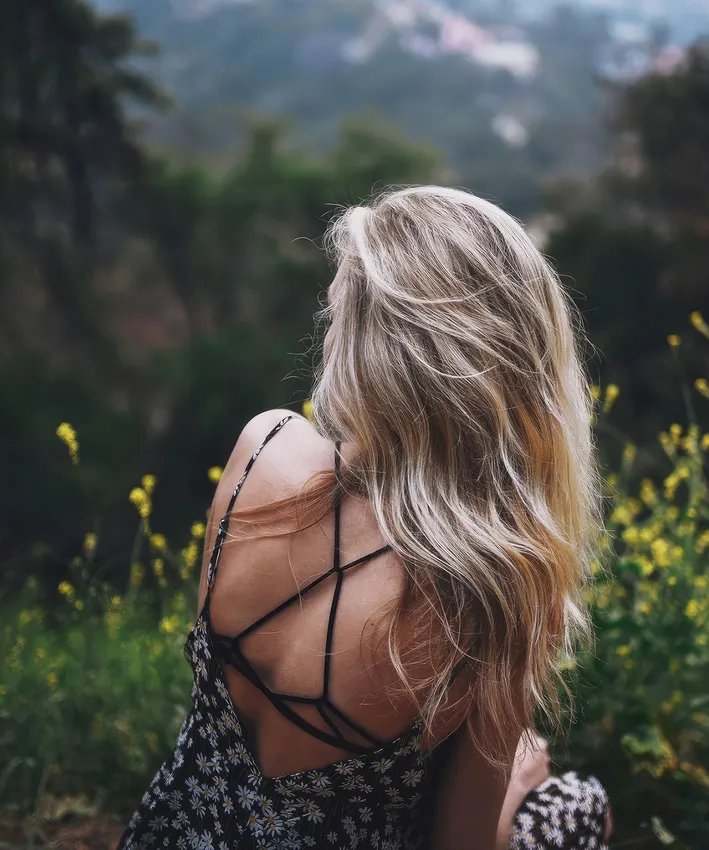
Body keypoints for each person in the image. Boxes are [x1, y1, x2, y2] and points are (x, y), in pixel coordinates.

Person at [118, 186, 606, 850]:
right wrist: (515, 793)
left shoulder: (264, 450)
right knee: (575, 806)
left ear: (372, 343)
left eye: (339, 310)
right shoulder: (495, 582)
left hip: (172, 836)